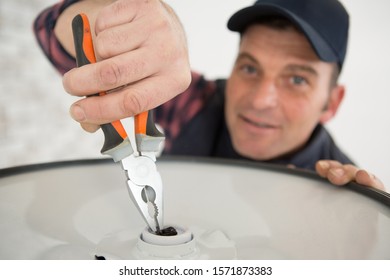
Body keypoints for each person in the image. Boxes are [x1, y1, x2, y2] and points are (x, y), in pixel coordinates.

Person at [34, 0, 384, 190]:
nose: (260, 99)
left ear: (332, 102)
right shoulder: (190, 102)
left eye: (296, 80)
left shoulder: (338, 187)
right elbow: (50, 31)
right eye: (249, 68)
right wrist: (117, 14)